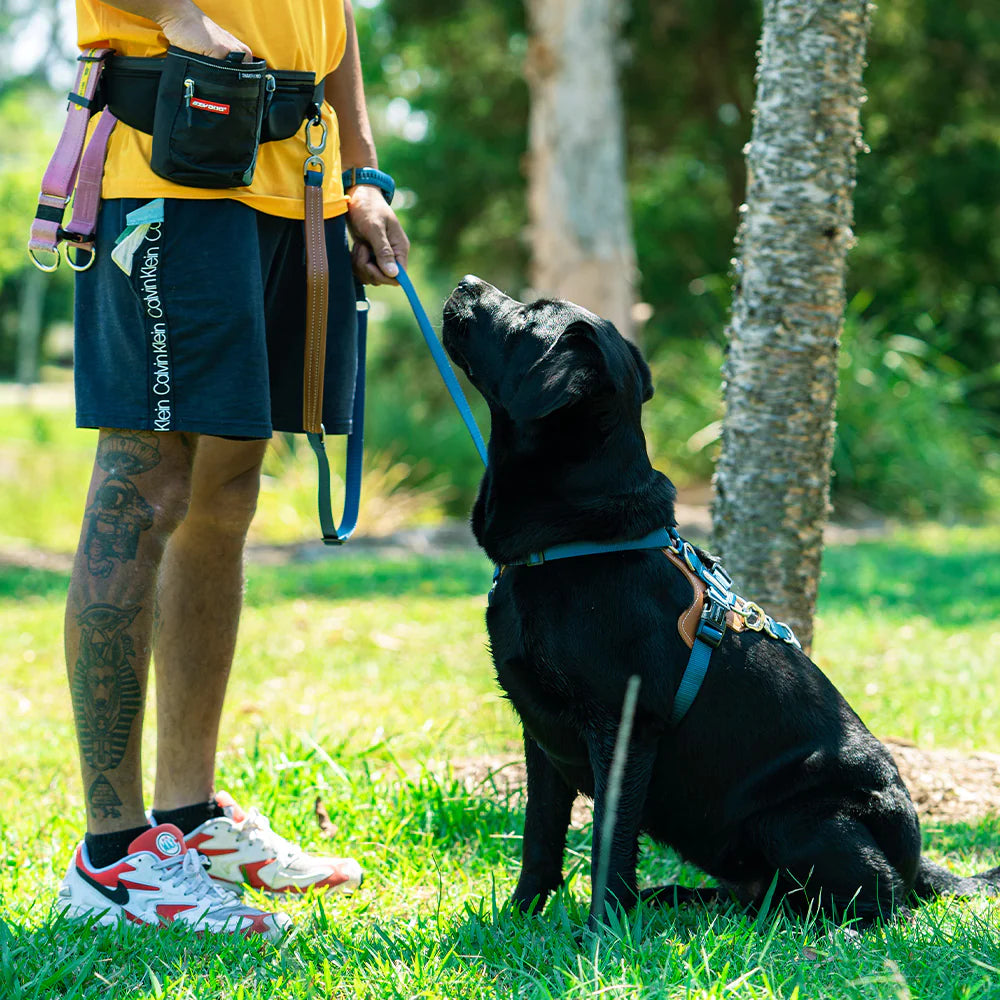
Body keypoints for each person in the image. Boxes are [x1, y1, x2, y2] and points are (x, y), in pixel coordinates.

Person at [56, 0, 409, 941]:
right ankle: (112, 855)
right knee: (146, 484)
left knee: (228, 490)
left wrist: (364, 169)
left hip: (297, 180)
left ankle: (186, 816)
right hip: (171, 151)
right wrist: (178, 16)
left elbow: (332, 18)